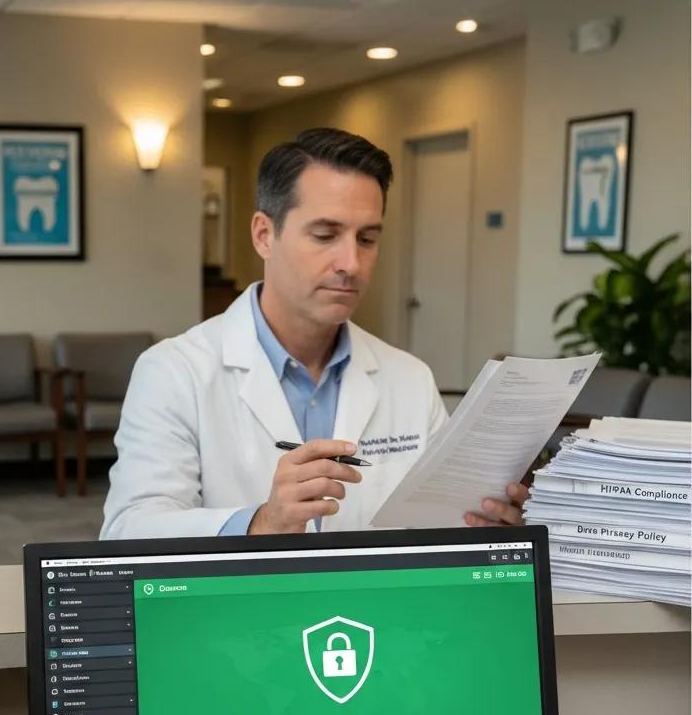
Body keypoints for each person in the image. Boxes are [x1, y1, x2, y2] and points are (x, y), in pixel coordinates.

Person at [101, 127, 527, 539]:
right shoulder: (174, 372)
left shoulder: (410, 379)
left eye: (367, 238)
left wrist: (484, 527)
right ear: (264, 235)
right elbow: (129, 530)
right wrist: (261, 524)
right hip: (247, 608)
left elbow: (436, 529)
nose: (352, 263)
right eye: (325, 235)